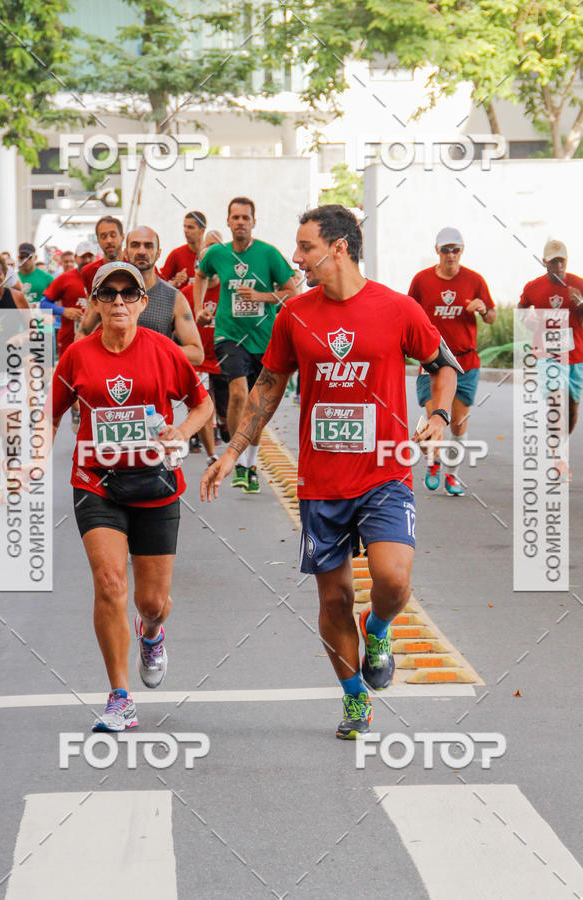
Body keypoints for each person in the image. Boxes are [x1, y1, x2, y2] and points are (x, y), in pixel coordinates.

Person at [201, 205, 459, 739]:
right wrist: (233, 449)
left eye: (306, 248)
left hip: (386, 473)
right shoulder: (295, 315)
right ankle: (353, 697)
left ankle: (380, 629)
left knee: (392, 578)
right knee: (334, 599)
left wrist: (437, 414)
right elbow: (268, 385)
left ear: (339, 247)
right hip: (321, 483)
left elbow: (444, 367)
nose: (296, 258)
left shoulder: (395, 308)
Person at [47, 261, 213, 731]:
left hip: (155, 483)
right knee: (109, 583)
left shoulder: (164, 351)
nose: (118, 301)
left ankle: (153, 632)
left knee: (152, 602)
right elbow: (51, 412)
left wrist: (180, 433)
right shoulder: (78, 355)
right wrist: (34, 461)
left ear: (142, 302)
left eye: (128, 293)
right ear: (95, 302)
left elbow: (203, 404)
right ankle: (120, 697)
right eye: (109, 293)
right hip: (96, 482)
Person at [194, 197, 297, 494]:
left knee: (257, 405)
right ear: (227, 222)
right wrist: (200, 308)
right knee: (238, 393)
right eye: (235, 217)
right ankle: (238, 459)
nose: (240, 222)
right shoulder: (217, 253)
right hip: (228, 335)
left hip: (264, 339)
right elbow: (201, 276)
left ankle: (248, 465)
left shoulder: (268, 254)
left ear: (254, 222)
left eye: (245, 218)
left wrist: (262, 298)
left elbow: (292, 292)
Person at [408, 227, 496, 496]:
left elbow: (491, 315)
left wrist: (483, 309)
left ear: (462, 251)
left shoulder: (474, 280)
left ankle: (453, 475)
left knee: (458, 422)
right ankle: (433, 462)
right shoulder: (422, 281)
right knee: (435, 415)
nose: (451, 255)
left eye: (455, 249)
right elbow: (408, 313)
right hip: (432, 360)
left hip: (465, 361)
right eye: (445, 249)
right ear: (437, 251)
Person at [76, 226, 204, 366]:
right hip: (113, 381)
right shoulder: (106, 292)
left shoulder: (173, 297)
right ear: (125, 252)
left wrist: (152, 349)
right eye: (135, 245)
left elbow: (197, 354)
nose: (141, 251)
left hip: (155, 382)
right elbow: (82, 334)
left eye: (148, 246)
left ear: (158, 253)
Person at [518, 238, 583, 456]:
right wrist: (527, 320)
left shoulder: (578, 285)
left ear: (567, 261)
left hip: (576, 354)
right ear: (545, 262)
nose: (558, 267)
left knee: (572, 408)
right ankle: (558, 455)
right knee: (556, 400)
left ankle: (559, 441)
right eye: (554, 262)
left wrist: (580, 305)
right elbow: (522, 309)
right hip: (548, 353)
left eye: (562, 262)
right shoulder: (533, 287)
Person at [0, 252, 29, 505]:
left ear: (4, 276)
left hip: (11, 374)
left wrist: (20, 338)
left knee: (9, 429)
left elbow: (34, 330)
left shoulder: (16, 298)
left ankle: (13, 479)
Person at [183, 230, 230, 465]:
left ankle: (224, 423)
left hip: (223, 357)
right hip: (198, 359)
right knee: (203, 405)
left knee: (225, 413)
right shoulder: (185, 295)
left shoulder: (229, 290)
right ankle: (212, 455)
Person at [40, 241, 96, 431]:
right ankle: (77, 409)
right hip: (69, 337)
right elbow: (44, 304)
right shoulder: (65, 279)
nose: (87, 260)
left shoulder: (103, 276)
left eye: (90, 256)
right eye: (83, 256)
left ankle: (93, 414)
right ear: (76, 259)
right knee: (73, 377)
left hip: (97, 337)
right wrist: (63, 311)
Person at [160, 211, 206, 288]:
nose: (186, 231)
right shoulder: (176, 254)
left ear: (202, 230)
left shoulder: (212, 254)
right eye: (184, 227)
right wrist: (175, 282)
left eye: (190, 227)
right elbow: (160, 285)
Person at [80, 216, 124, 295]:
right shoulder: (88, 272)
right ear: (98, 240)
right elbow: (91, 302)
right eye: (103, 237)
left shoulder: (136, 268)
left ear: (122, 237)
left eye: (113, 235)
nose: (108, 241)